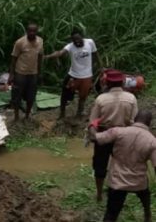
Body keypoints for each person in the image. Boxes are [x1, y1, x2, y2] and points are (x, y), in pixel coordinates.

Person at [88, 110, 156, 222]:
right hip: (139, 182)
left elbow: (95, 138)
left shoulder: (118, 132)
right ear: (149, 123)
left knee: (111, 214)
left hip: (118, 181)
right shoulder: (152, 141)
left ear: (134, 119)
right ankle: (147, 214)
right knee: (145, 195)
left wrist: (92, 124)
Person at [89, 70, 138, 202]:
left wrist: (94, 136)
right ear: (122, 82)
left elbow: (93, 122)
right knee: (122, 165)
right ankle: (119, 193)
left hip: (104, 134)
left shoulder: (100, 99)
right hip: (124, 135)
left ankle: (99, 194)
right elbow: (135, 121)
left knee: (100, 165)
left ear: (106, 83)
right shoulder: (131, 98)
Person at [45, 29, 99, 118]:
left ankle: (79, 113)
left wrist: (100, 66)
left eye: (78, 39)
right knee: (65, 96)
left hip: (87, 76)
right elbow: (60, 52)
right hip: (73, 76)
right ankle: (62, 114)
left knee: (83, 96)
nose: (77, 42)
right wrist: (48, 56)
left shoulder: (90, 42)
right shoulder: (70, 46)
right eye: (74, 40)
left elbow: (96, 54)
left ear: (82, 37)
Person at [8, 23, 44, 121]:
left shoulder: (40, 41)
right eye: (30, 31)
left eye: (34, 31)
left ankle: (27, 116)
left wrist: (40, 72)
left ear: (37, 31)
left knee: (31, 96)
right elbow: (14, 58)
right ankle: (16, 117)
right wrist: (11, 74)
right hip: (20, 73)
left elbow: (40, 57)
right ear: (26, 31)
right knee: (17, 95)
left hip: (33, 73)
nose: (32, 33)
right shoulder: (20, 42)